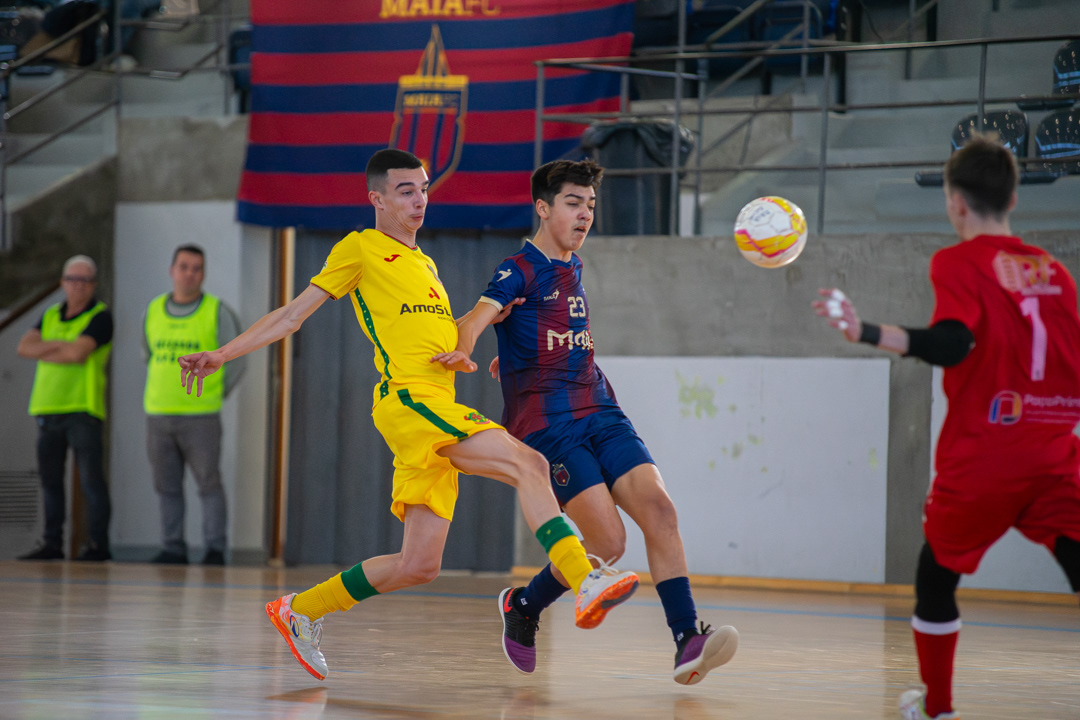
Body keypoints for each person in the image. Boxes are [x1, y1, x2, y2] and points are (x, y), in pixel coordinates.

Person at [176, 149, 639, 681]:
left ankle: (300, 609)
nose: (420, 200)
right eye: (405, 191)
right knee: (529, 464)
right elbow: (291, 316)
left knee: (418, 564)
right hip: (410, 401)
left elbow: (439, 336)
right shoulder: (360, 248)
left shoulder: (425, 263)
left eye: (423, 189)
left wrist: (489, 334)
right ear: (376, 198)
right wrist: (222, 354)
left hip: (438, 402)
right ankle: (584, 580)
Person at [813, 134, 1080, 720]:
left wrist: (865, 331)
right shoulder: (1056, 273)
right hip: (1056, 453)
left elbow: (955, 344)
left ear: (956, 203)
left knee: (936, 580)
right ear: (1013, 198)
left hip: (985, 457)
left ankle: (938, 710)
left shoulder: (958, 262)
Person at [443, 159, 739, 684]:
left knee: (661, 511)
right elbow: (477, 318)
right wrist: (464, 349)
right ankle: (523, 606)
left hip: (601, 409)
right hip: (549, 425)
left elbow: (546, 326)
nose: (585, 215)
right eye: (573, 203)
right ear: (543, 208)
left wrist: (516, 354)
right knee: (607, 545)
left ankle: (686, 639)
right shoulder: (518, 269)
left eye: (591, 205)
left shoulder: (573, 266)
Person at [143, 244, 245, 566]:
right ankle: (173, 547)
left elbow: (237, 362)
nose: (190, 274)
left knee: (208, 483)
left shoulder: (217, 311)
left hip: (201, 416)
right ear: (172, 270)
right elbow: (148, 354)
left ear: (203, 274)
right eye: (184, 267)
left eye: (196, 268)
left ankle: (215, 548)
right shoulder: (153, 309)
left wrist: (215, 393)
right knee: (166, 486)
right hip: (158, 413)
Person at [16, 255, 113, 561]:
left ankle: (97, 544)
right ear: (62, 283)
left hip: (82, 408)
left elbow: (77, 354)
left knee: (90, 481)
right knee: (50, 481)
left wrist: (47, 348)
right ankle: (52, 542)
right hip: (48, 407)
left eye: (85, 280)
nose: (78, 286)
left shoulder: (100, 316)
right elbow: (23, 347)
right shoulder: (50, 315)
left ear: (93, 285)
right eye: (72, 279)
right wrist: (61, 346)